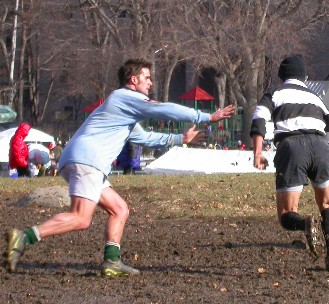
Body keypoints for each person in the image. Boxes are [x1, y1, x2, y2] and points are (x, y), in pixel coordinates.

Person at [5, 58, 236, 276]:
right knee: (80, 218)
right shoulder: (124, 97)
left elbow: (143, 138)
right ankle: (24, 237)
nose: (150, 83)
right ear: (133, 80)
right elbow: (163, 108)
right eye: (146, 77)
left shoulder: (123, 108)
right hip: (88, 161)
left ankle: (112, 262)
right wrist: (205, 117)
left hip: (83, 160)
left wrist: (180, 139)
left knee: (119, 209)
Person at [250, 55, 329, 271]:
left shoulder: (274, 93)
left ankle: (305, 224)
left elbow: (259, 119)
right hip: (321, 147)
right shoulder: (317, 98)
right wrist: (326, 153)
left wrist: (257, 153)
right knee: (327, 204)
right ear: (304, 77)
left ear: (281, 78)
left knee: (286, 214)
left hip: (292, 147)